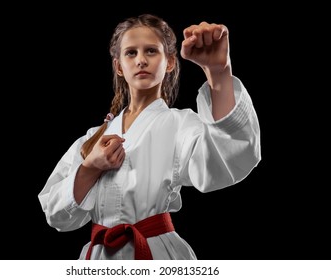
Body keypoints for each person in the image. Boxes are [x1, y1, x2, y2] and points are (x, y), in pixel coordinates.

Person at [38, 14, 261, 260]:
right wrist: (90, 167)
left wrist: (218, 72)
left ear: (170, 62)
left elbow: (225, 155)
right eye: (131, 53)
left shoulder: (179, 124)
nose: (141, 60)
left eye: (151, 51)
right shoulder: (92, 139)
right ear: (119, 66)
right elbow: (56, 215)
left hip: (156, 253)